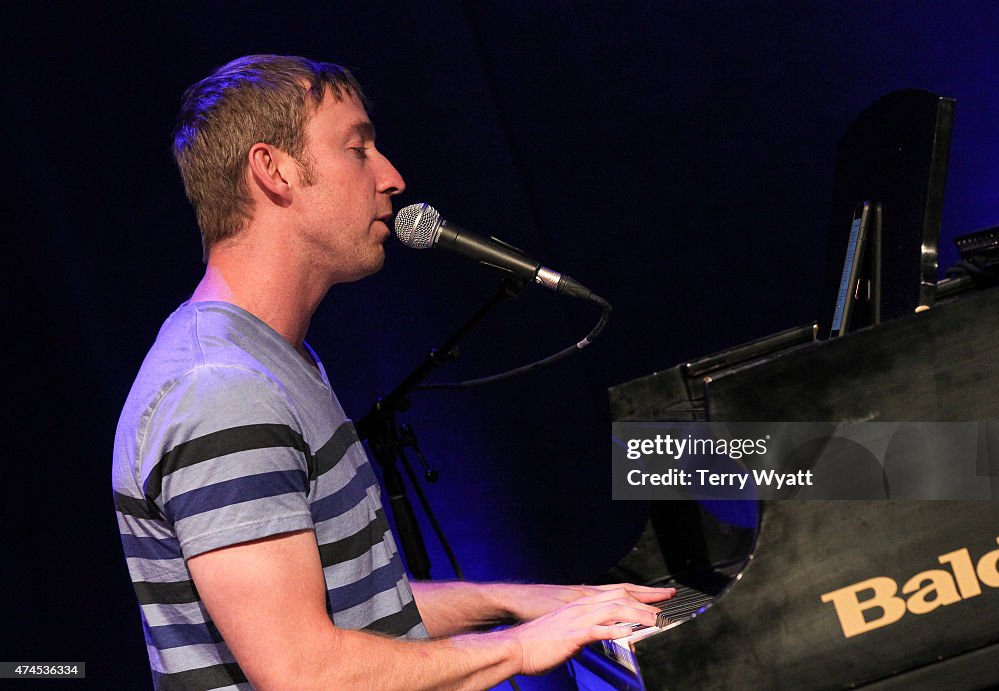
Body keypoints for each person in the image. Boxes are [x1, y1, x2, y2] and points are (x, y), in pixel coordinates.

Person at [112, 54, 672, 690]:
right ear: (275, 172)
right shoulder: (222, 390)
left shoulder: (278, 359)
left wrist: (519, 601)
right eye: (358, 149)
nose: (393, 177)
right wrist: (519, 648)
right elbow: (306, 676)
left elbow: (361, 613)